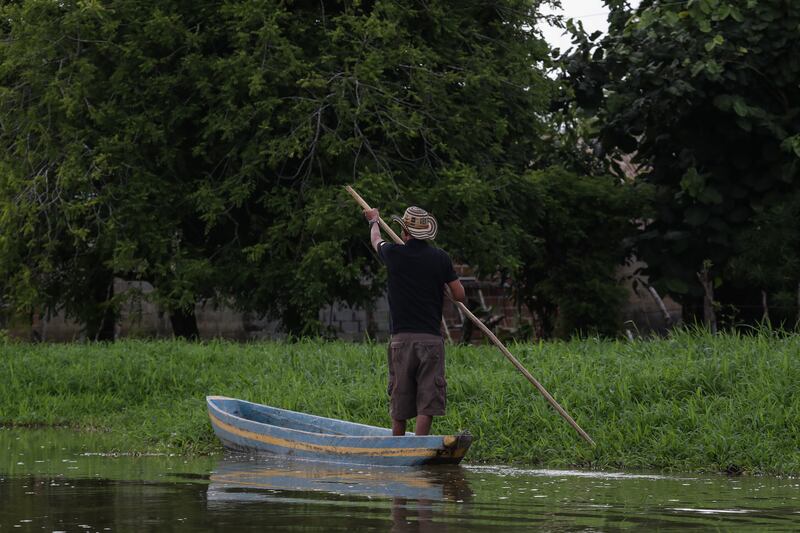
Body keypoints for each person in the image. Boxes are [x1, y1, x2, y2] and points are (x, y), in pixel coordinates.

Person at [363, 205, 466, 436]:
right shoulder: (440, 258)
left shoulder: (393, 254)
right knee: (428, 397)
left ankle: (399, 448)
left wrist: (374, 221)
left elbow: (376, 240)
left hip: (401, 341)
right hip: (430, 341)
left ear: (405, 233)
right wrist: (441, 281)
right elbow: (459, 295)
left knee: (400, 397)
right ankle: (419, 445)